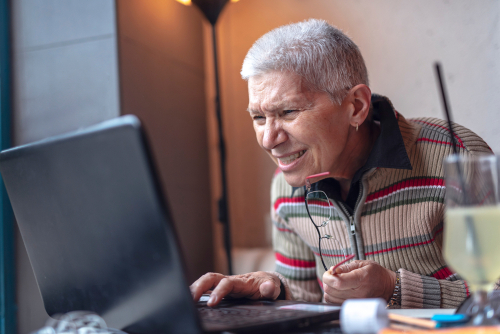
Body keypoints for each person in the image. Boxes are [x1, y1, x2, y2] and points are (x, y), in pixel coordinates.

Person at [190, 19, 493, 308]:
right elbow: (307, 300)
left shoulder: (459, 157)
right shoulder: (286, 185)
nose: (268, 139)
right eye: (258, 117)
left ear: (356, 107)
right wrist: (274, 289)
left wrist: (394, 288)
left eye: (288, 112)